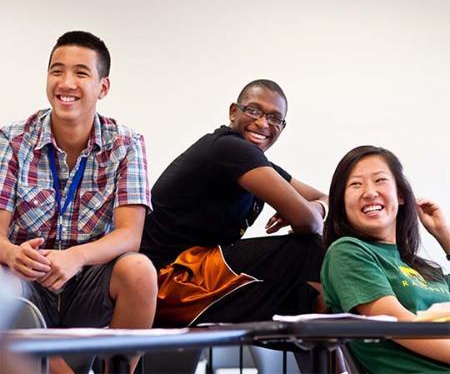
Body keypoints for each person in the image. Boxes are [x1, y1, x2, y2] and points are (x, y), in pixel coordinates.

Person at [0, 31, 157, 373]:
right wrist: (12, 253)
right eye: (57, 71)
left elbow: (130, 235)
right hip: (27, 281)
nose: (66, 82)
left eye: (81, 73)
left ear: (103, 87)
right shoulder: (11, 139)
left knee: (139, 270)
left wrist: (75, 258)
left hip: (87, 278)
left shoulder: (127, 143)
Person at [140, 79, 328, 327]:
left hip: (199, 273)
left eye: (274, 118)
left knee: (300, 298)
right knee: (310, 248)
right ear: (233, 112)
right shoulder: (229, 148)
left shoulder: (256, 162)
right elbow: (310, 222)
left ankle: (334, 361)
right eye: (253, 111)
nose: (262, 123)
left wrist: (309, 208)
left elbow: (327, 199)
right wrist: (302, 211)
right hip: (168, 278)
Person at [321, 145, 450, 374]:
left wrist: (444, 235)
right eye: (356, 184)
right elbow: (398, 326)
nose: (369, 192)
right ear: (341, 202)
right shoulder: (348, 252)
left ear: (400, 195)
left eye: (380, 180)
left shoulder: (422, 268)